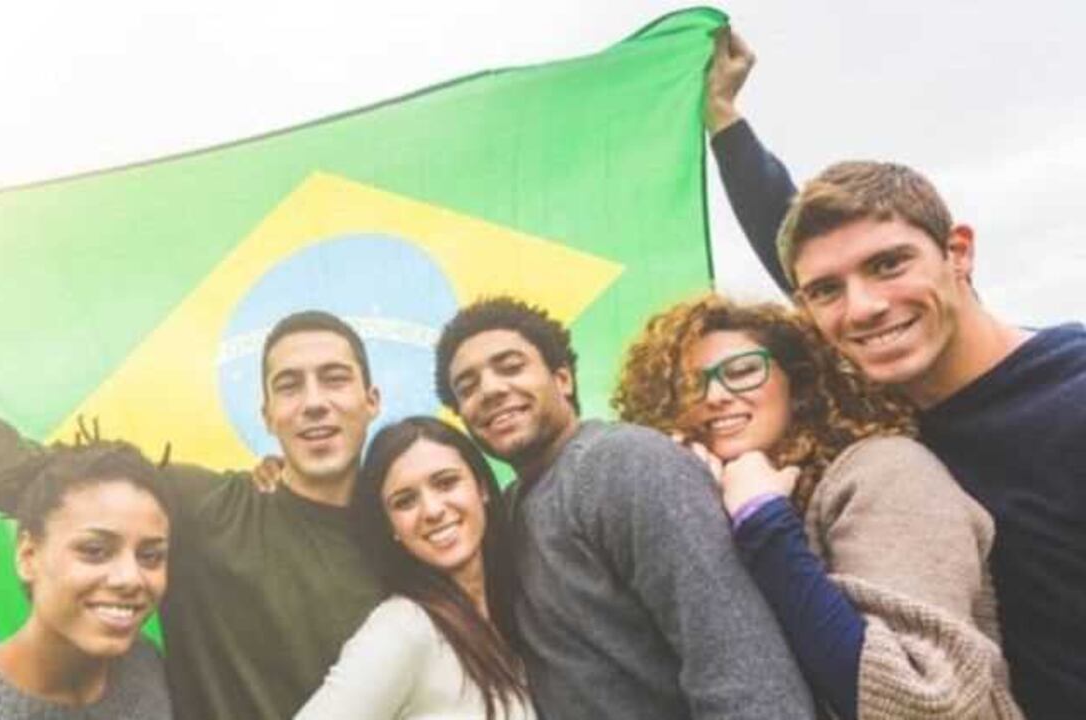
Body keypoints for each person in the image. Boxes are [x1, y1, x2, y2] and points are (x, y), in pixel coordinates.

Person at [703, 29, 1086, 716]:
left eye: (889, 265)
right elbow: (794, 243)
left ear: (958, 252)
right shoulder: (881, 391)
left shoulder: (1070, 395)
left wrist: (765, 525)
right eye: (826, 291)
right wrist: (724, 123)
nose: (864, 307)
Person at [0, 306, 383, 719]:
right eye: (289, 386)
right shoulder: (202, 507)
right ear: (267, 414)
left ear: (371, 400)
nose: (314, 402)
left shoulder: (411, 539)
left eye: (334, 380)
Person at [613, 294, 1022, 719]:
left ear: (798, 383)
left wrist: (764, 518)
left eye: (743, 371)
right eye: (688, 385)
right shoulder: (708, 503)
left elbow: (919, 701)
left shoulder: (886, 471)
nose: (715, 395)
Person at [432, 295, 815, 720]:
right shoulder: (505, 513)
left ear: (562, 379)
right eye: (467, 387)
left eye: (510, 366)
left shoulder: (627, 463)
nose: (490, 389)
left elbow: (739, 662)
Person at [0, 440, 173, 719]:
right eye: (94, 550)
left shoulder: (146, 668)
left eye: (150, 556)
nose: (130, 578)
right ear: (28, 556)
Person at [295, 417, 535, 719]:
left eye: (446, 483)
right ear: (391, 527)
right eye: (405, 501)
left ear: (482, 488)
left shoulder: (508, 617)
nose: (432, 510)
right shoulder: (403, 629)